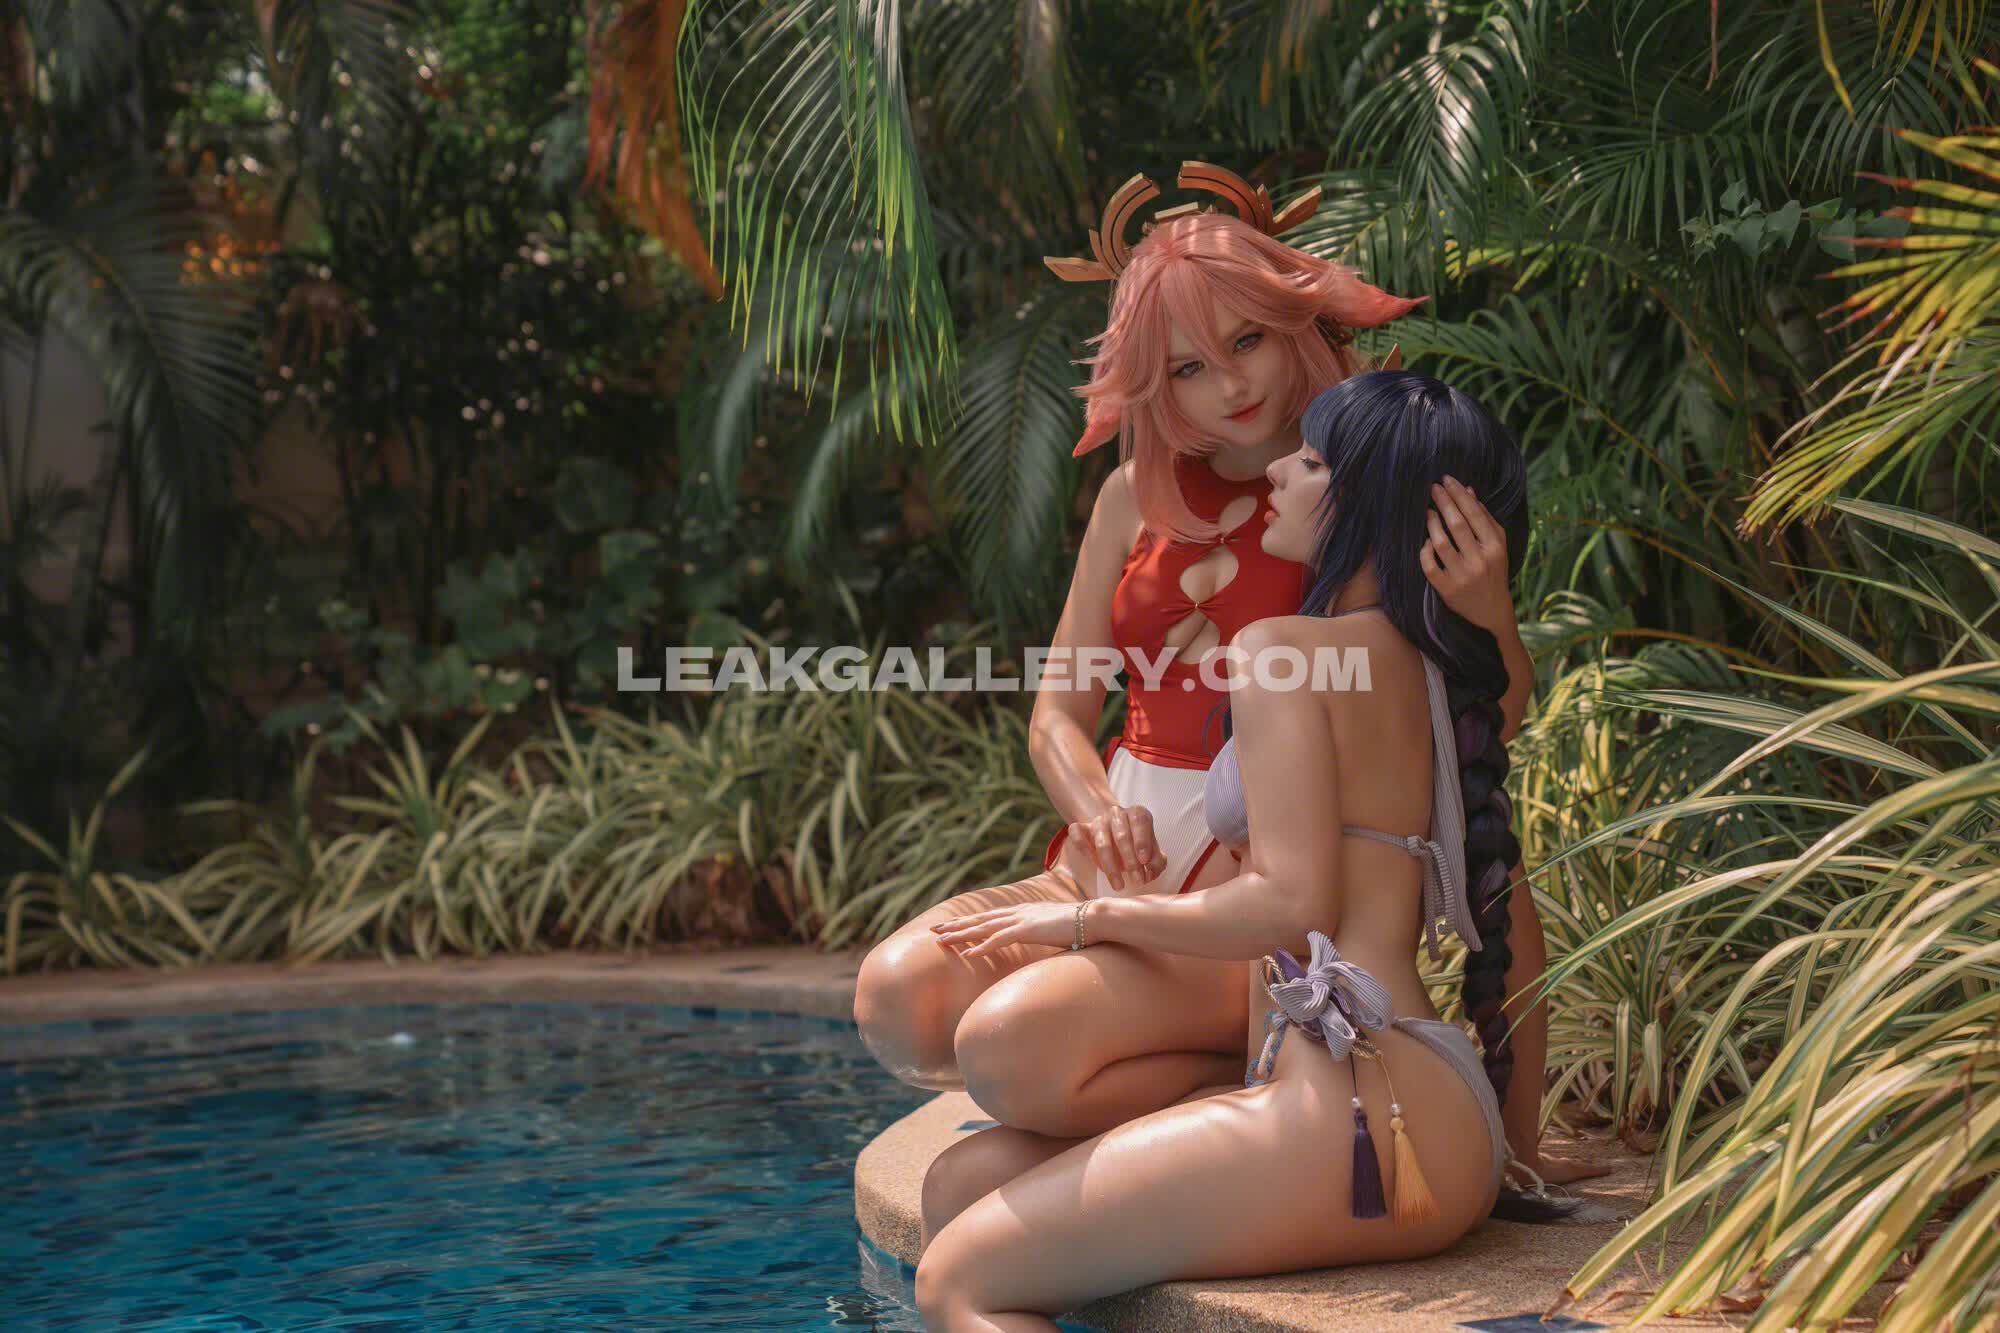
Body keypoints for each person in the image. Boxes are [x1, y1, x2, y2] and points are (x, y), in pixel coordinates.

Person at [852, 164, 1543, 1145]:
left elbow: (1470, 730)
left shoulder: (1358, 491)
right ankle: (1206, 1069)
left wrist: (1490, 610)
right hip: (1102, 873)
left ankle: (1242, 1051)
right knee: (895, 999)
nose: (1229, 386)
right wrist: (1096, 814)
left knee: (1014, 1056)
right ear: (1152, 380)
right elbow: (1056, 713)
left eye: (1246, 341)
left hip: (1248, 909)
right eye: (1186, 368)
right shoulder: (1128, 496)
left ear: (1293, 319)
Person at [912, 371, 1598, 1330]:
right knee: (958, 1184)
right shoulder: (1447, 674)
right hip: (1419, 1104)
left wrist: (1085, 918)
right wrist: (1513, 1144)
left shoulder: (1283, 650)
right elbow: (1510, 912)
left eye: (1310, 462)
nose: (1277, 472)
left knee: (955, 1282)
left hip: (1354, 1117)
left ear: (1367, 503)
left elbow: (1287, 903)